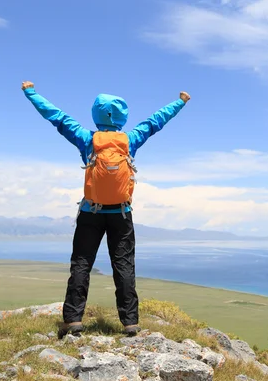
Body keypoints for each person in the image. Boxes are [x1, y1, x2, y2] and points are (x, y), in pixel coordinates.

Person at [21, 81, 191, 337]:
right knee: (123, 266)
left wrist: (30, 92)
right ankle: (130, 322)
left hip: (91, 212)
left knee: (81, 264)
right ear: (122, 116)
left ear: (95, 114)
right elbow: (156, 120)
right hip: (121, 214)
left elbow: (55, 116)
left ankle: (73, 320)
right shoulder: (130, 140)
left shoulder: (87, 139)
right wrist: (180, 101)